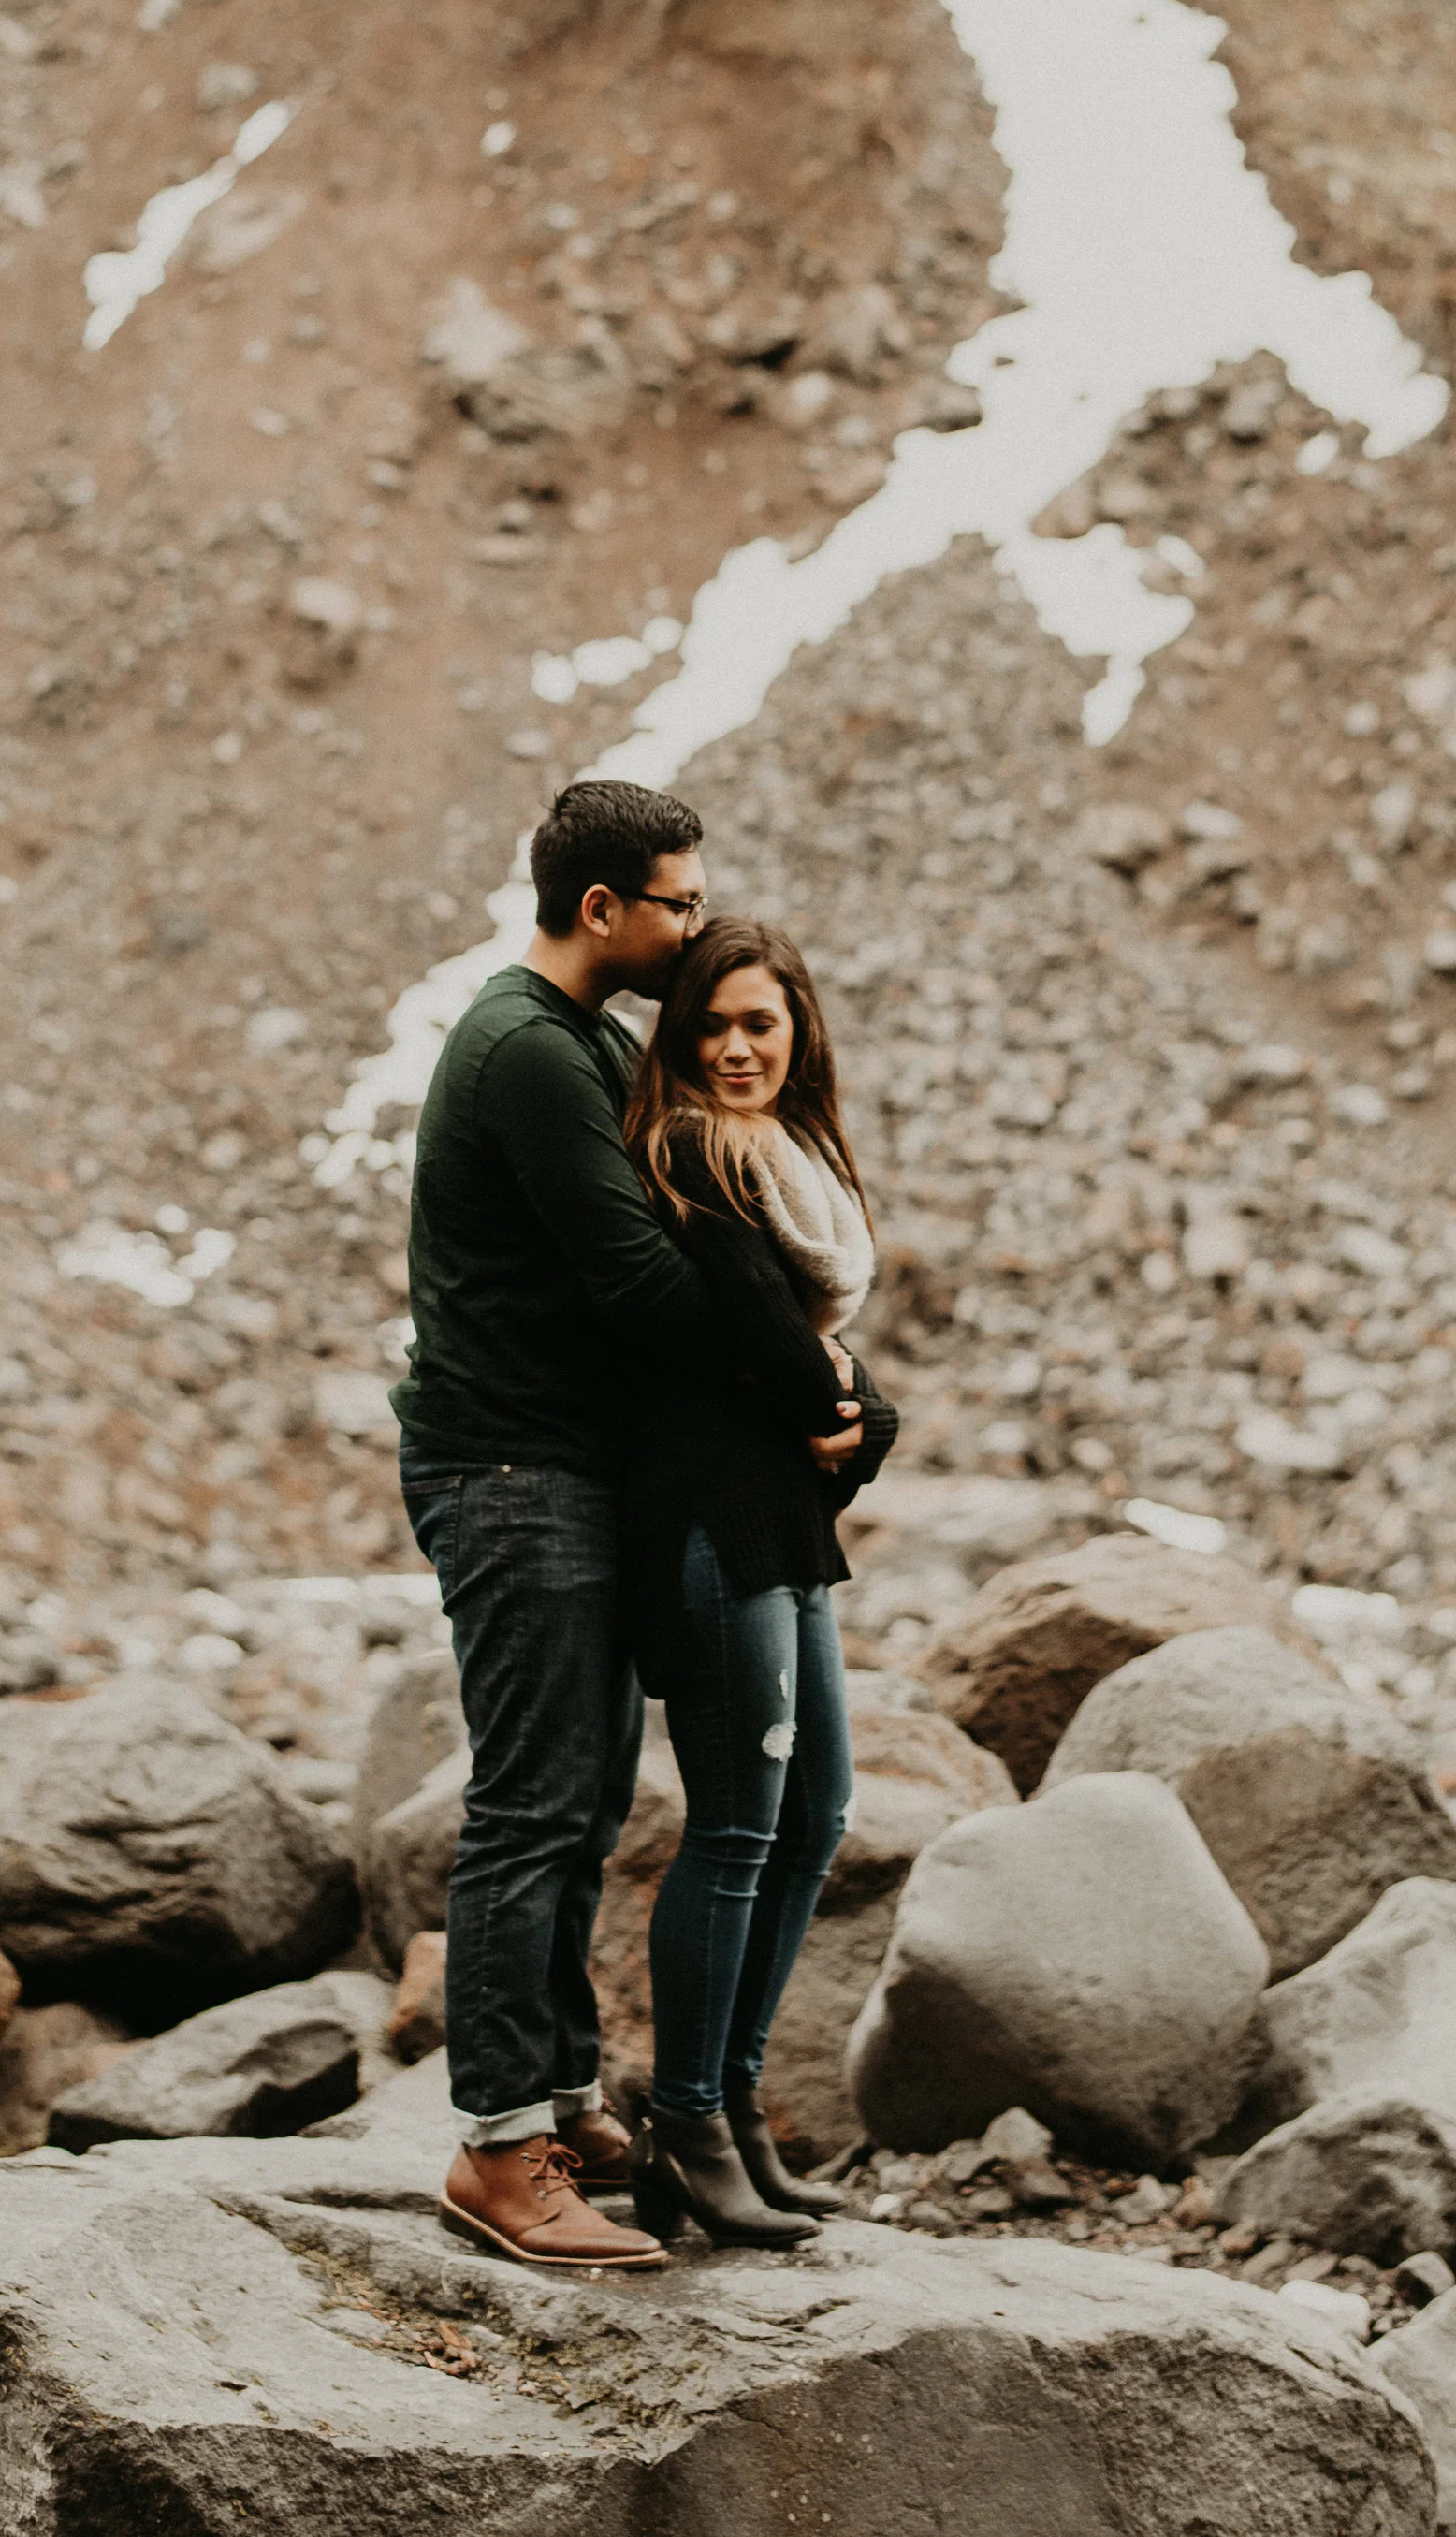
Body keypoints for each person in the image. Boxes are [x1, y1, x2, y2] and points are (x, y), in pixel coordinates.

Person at [396, 778, 724, 2272]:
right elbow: (638, 1278)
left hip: (561, 1469)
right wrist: (797, 1373)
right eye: (680, 901)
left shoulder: (585, 1037)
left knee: (586, 1800)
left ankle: (564, 2101)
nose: (698, 925)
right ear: (603, 910)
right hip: (511, 1473)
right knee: (532, 1803)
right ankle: (496, 2149)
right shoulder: (528, 1049)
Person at [619, 916, 897, 2248]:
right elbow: (775, 1354)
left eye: (760, 1025)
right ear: (681, 1039)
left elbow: (804, 1364)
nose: (736, 1049)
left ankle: (732, 2112)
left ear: (798, 1033)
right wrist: (838, 1396)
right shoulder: (690, 1156)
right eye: (714, 1026)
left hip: (777, 1521)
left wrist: (849, 1404)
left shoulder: (793, 1165)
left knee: (818, 1816)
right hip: (706, 1522)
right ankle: (683, 2125)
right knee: (736, 1828)